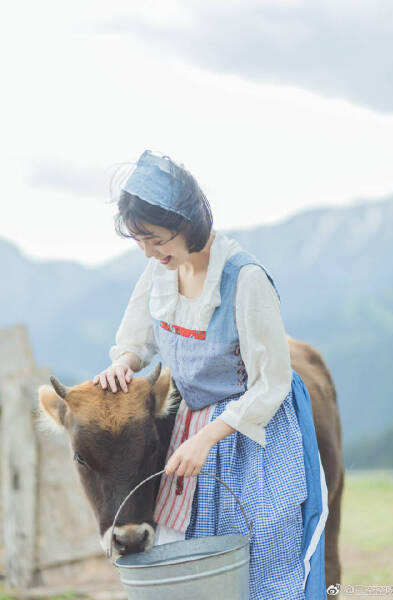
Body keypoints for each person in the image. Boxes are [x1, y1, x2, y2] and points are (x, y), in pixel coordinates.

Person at [92, 149, 328, 599]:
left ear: (187, 222)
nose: (148, 251)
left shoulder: (243, 279)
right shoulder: (159, 272)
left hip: (253, 435)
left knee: (261, 563)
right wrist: (122, 363)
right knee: (197, 565)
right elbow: (136, 340)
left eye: (156, 239)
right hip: (191, 429)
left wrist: (204, 439)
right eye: (139, 240)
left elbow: (273, 383)